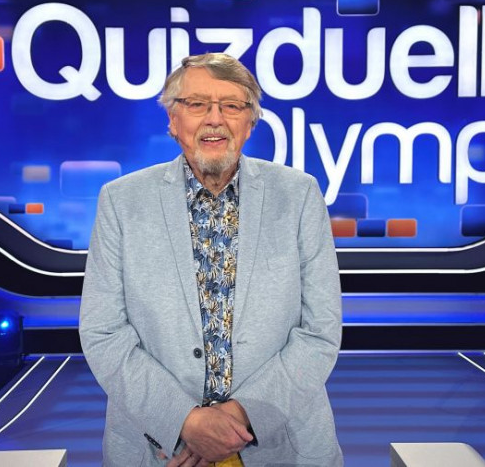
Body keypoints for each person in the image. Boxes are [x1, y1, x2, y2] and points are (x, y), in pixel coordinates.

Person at [79, 53, 343, 467]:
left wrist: (237, 417)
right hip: (159, 449)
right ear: (173, 120)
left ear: (250, 122)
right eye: (197, 104)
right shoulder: (121, 201)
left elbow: (320, 331)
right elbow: (103, 332)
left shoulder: (300, 196)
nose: (214, 119)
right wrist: (184, 421)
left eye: (231, 106)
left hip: (282, 447)